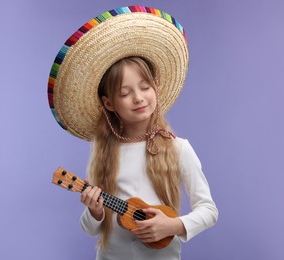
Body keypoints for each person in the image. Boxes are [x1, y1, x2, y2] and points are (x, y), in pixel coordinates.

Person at [48, 6, 218, 260]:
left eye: (145, 87)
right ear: (108, 104)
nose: (138, 98)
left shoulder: (178, 148)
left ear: (156, 88)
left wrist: (172, 225)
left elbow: (209, 210)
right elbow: (89, 228)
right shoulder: (105, 151)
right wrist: (94, 212)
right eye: (125, 94)